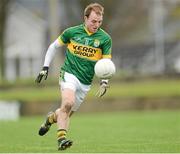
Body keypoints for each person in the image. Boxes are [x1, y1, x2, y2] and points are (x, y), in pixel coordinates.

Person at [35, 2, 112, 150]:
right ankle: (61, 140)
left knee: (65, 112)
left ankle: (50, 119)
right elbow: (53, 46)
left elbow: (106, 63)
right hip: (69, 74)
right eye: (93, 21)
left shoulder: (105, 39)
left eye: (99, 22)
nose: (96, 25)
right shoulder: (72, 32)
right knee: (68, 103)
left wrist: (104, 81)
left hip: (85, 82)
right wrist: (45, 67)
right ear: (85, 18)